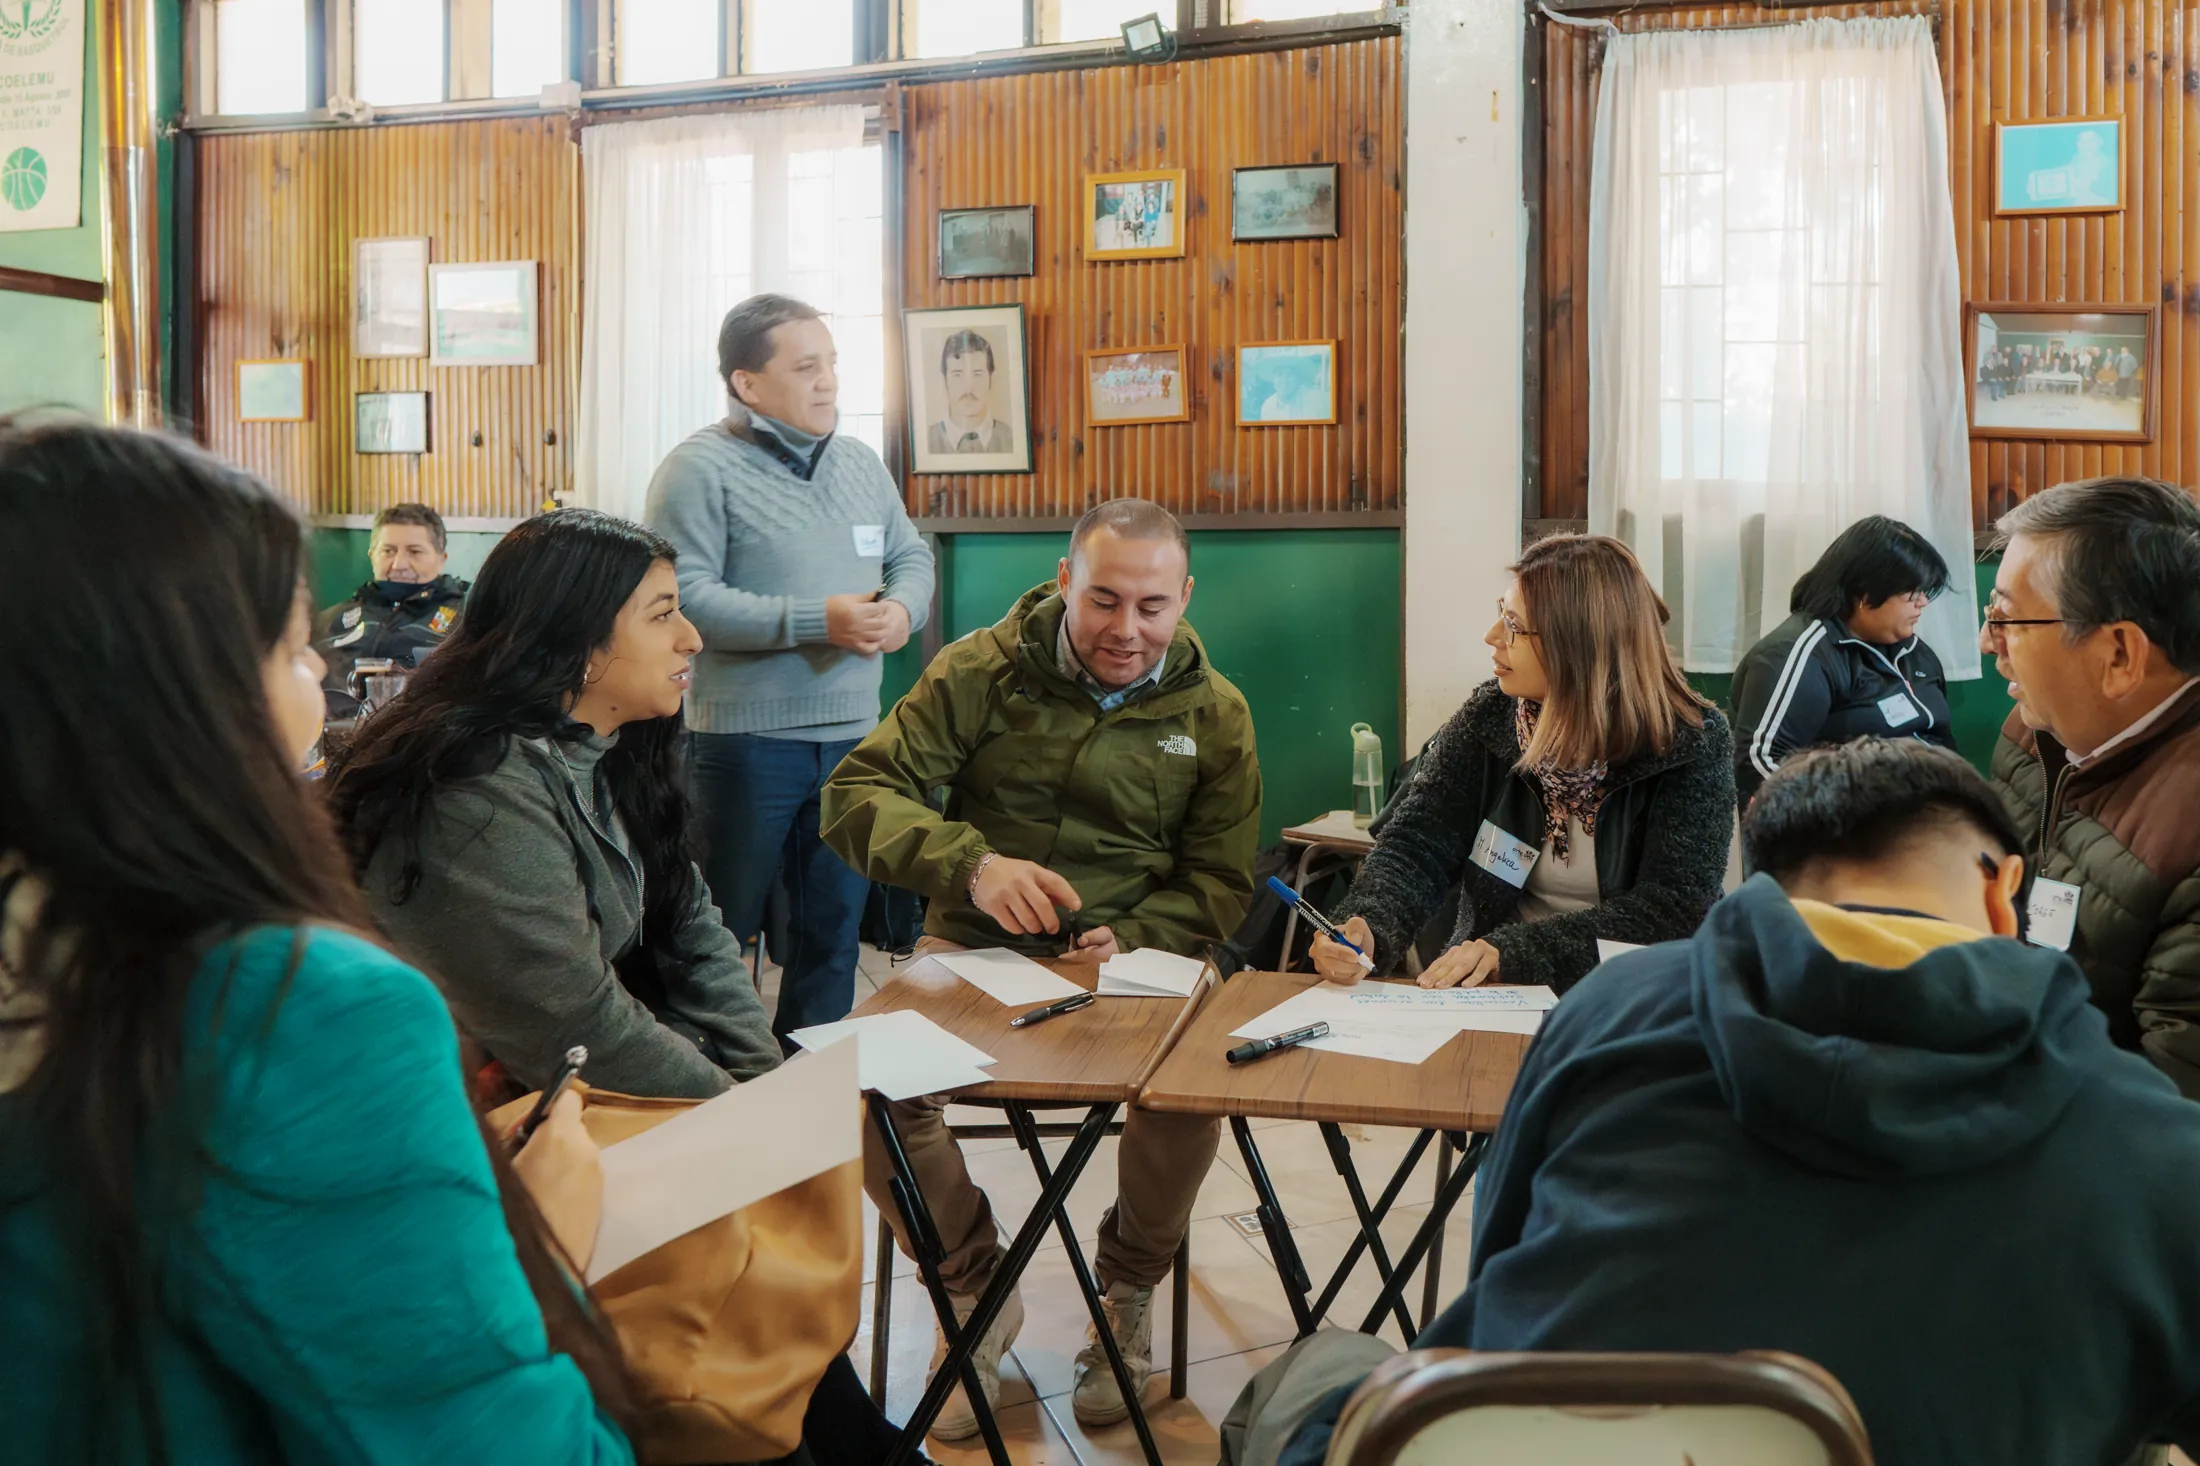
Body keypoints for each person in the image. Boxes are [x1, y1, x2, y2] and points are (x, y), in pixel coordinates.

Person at [1233, 739, 2200, 1466]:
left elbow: (1504, 1260)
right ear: (2004, 899)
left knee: (1311, 1371)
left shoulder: (1613, 1012)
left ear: (1769, 884)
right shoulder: (2154, 1138)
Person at [0, 416, 634, 1463]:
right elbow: (503, 1440)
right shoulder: (295, 1008)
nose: (316, 682)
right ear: (181, 697)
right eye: (294, 645)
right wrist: (545, 1238)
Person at [821, 499, 1261, 1440]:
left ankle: (1128, 1293)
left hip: (1141, 960)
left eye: (1151, 607)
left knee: (1196, 1076)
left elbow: (1222, 884)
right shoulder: (977, 670)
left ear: (1184, 598)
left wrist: (1138, 931)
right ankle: (975, 1285)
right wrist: (970, 867)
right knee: (861, 1082)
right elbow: (855, 793)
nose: (1126, 630)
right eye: (1103, 600)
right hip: (974, 950)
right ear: (1064, 580)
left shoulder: (1215, 712)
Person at [326, 509, 781, 1100]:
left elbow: (691, 928)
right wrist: (748, 1115)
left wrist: (767, 1081)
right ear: (578, 642)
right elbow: (572, 1027)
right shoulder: (477, 789)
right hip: (439, 1117)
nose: (691, 638)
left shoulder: (611, 744)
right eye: (663, 614)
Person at [645, 293, 935, 1046]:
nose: (828, 382)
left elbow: (911, 556)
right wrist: (819, 621)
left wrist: (904, 611)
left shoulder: (861, 463)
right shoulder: (696, 469)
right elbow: (685, 602)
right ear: (747, 383)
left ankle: (810, 1110)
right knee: (718, 935)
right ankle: (706, 1092)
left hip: (853, 744)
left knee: (832, 937)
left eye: (832, 364)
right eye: (806, 367)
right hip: (743, 749)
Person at [1311, 533, 1733, 992]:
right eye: (1501, 614)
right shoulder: (1490, 716)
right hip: (1500, 994)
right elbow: (1417, 847)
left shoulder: (1692, 742)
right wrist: (1367, 924)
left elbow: (1670, 911)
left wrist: (1513, 952)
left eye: (1513, 625)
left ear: (1576, 645)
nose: (1493, 637)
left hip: (1634, 998)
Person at [1981, 476, 2200, 1095]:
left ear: (2120, 656)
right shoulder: (2036, 727)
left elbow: (2169, 1115)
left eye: (2006, 619)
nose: (1987, 642)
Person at [1730, 514, 1957, 803]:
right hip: (1855, 828)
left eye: (1924, 592)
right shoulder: (1799, 653)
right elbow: (1761, 764)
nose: (1922, 601)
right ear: (1865, 594)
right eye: (1912, 592)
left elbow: (1943, 740)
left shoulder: (1915, 652)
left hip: (1934, 814)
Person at [314, 501, 470, 717]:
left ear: (441, 559)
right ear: (371, 555)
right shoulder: (329, 621)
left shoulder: (468, 619)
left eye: (415, 552)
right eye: (388, 551)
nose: (399, 565)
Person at [926, 331, 1014, 455]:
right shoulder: (926, 443)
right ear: (944, 380)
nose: (968, 389)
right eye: (957, 375)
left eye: (977, 374)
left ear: (991, 378)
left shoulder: (1013, 440)